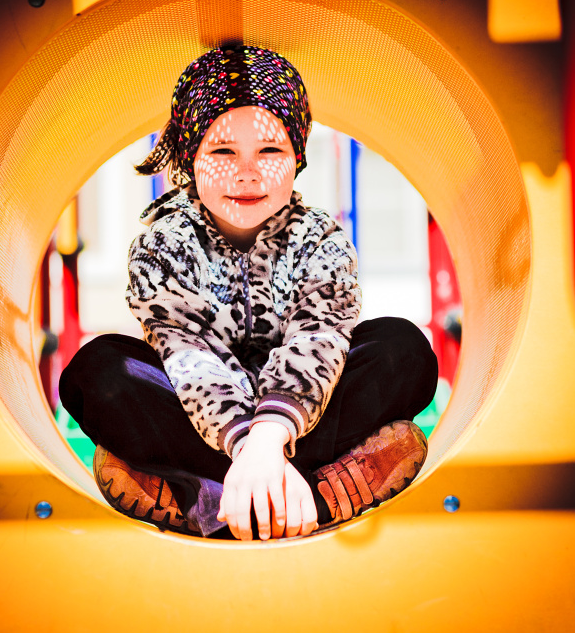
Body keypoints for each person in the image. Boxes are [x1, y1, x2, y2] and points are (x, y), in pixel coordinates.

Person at [59, 45, 438, 540]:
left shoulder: (320, 239)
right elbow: (190, 357)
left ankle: (201, 496)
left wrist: (269, 438)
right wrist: (247, 445)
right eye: (222, 152)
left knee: (402, 350)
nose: (247, 171)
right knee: (99, 372)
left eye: (270, 151)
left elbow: (318, 340)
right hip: (204, 418)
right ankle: (313, 494)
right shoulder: (163, 246)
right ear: (190, 159)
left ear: (297, 157)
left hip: (303, 415)